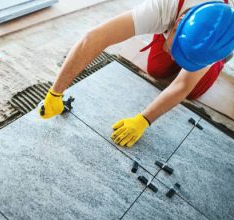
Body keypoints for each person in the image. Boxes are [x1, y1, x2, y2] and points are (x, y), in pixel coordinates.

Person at [39, 0, 234, 148]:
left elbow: (182, 86)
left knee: (193, 90)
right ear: (177, 23)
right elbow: (94, 37)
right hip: (177, 23)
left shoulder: (213, 40)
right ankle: (174, 46)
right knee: (157, 69)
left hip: (209, 46)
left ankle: (215, 64)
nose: (175, 59)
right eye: (178, 53)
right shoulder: (160, 9)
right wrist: (55, 92)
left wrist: (144, 119)